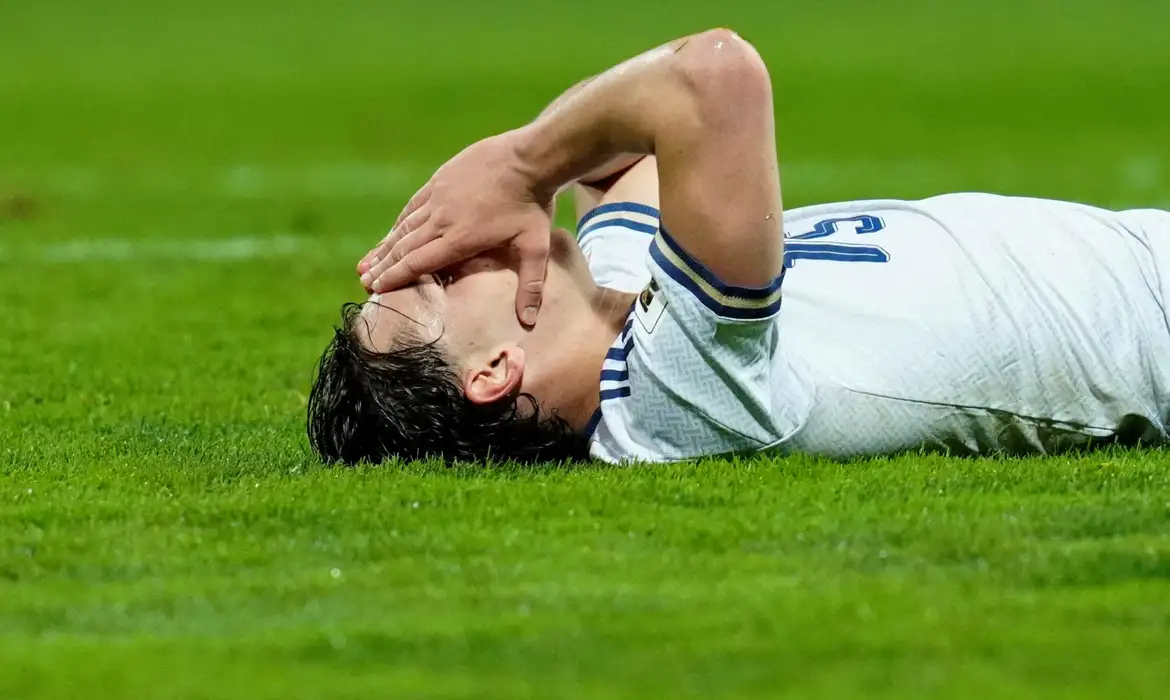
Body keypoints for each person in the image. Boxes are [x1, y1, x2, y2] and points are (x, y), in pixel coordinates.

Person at [307, 29, 1170, 465]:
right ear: (494, 370)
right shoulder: (676, 399)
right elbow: (711, 78)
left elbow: (622, 158)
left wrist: (542, 169)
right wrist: (522, 160)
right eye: (437, 279)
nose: (456, 245)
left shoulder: (617, 300)